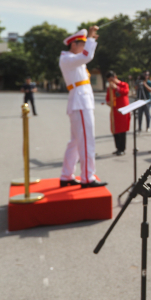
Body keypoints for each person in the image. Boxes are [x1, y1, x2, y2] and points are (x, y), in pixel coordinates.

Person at [59, 27, 107, 188]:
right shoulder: (68, 59)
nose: (84, 46)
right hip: (80, 104)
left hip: (81, 103)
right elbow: (87, 56)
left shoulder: (73, 59)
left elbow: (84, 56)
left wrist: (89, 39)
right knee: (87, 141)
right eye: (83, 43)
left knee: (75, 142)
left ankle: (66, 175)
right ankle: (87, 177)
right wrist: (92, 38)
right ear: (74, 44)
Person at [105, 71, 130, 156]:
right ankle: (118, 148)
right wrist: (108, 102)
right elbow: (107, 98)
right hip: (114, 111)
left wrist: (117, 88)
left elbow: (125, 92)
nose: (111, 81)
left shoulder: (123, 84)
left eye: (112, 79)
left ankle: (122, 149)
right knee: (115, 130)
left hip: (123, 111)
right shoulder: (109, 88)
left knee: (122, 130)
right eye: (109, 80)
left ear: (115, 77)